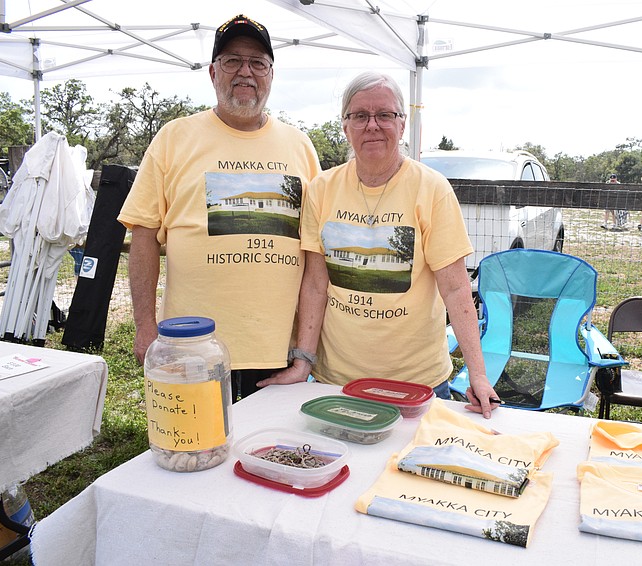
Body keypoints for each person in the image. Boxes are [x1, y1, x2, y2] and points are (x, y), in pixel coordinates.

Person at [258, 71, 500, 419]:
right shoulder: (322, 189)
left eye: (384, 114)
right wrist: (302, 362)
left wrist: (478, 375)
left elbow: (455, 288)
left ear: (402, 125)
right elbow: (314, 285)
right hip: (336, 381)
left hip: (418, 384)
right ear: (346, 126)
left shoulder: (431, 189)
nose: (372, 125)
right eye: (360, 115)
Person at [117, 14, 321, 401]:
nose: (245, 72)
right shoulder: (173, 138)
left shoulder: (300, 146)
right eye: (232, 61)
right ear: (213, 72)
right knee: (196, 437)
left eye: (257, 63)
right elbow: (143, 236)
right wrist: (145, 327)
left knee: (269, 439)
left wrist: (307, 349)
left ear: (271, 75)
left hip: (277, 350)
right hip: (192, 345)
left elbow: (315, 253)